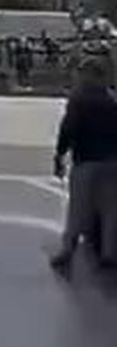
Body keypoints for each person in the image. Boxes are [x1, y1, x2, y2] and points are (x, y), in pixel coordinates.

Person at [49, 57, 117, 274]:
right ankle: (108, 253)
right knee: (109, 209)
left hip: (86, 159)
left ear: (87, 75)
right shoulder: (111, 98)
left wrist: (59, 155)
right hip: (111, 161)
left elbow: (68, 128)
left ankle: (67, 250)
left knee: (78, 207)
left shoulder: (79, 99)